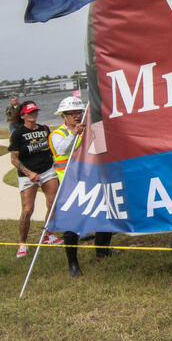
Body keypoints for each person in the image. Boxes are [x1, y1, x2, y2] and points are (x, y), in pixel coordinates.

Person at [49, 96, 113, 276]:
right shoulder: (58, 135)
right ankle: (73, 264)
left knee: (105, 213)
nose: (77, 116)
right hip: (70, 185)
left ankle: (102, 250)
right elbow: (62, 150)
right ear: (63, 116)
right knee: (72, 224)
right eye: (73, 113)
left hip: (93, 180)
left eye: (80, 112)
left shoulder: (89, 130)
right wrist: (74, 133)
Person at [9, 100, 64, 257]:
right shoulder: (18, 134)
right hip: (28, 175)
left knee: (53, 204)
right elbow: (14, 159)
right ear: (23, 115)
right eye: (30, 112)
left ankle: (47, 234)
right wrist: (29, 173)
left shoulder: (44, 129)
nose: (34, 114)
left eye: (35, 111)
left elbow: (53, 148)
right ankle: (22, 243)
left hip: (47, 171)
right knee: (27, 210)